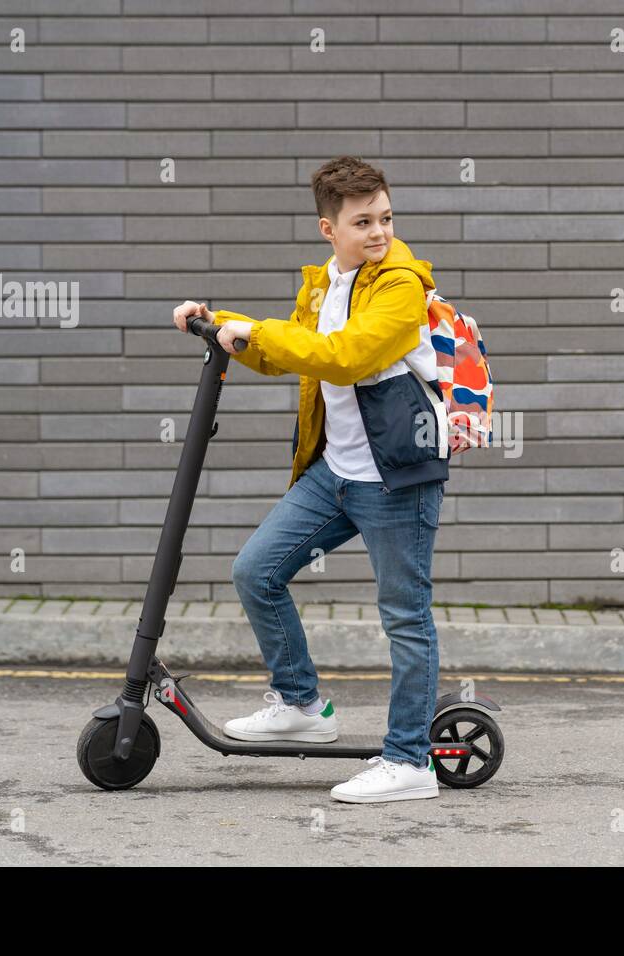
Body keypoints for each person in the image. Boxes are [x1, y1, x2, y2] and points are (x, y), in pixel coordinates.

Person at [171, 156, 449, 803]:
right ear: (329, 228)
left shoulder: (402, 285)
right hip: (337, 473)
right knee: (256, 571)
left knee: (405, 618)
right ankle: (301, 704)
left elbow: (346, 357)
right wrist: (220, 324)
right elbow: (293, 347)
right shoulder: (325, 284)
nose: (378, 232)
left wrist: (256, 331)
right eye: (362, 222)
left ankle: (410, 762)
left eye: (385, 217)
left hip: (396, 479)